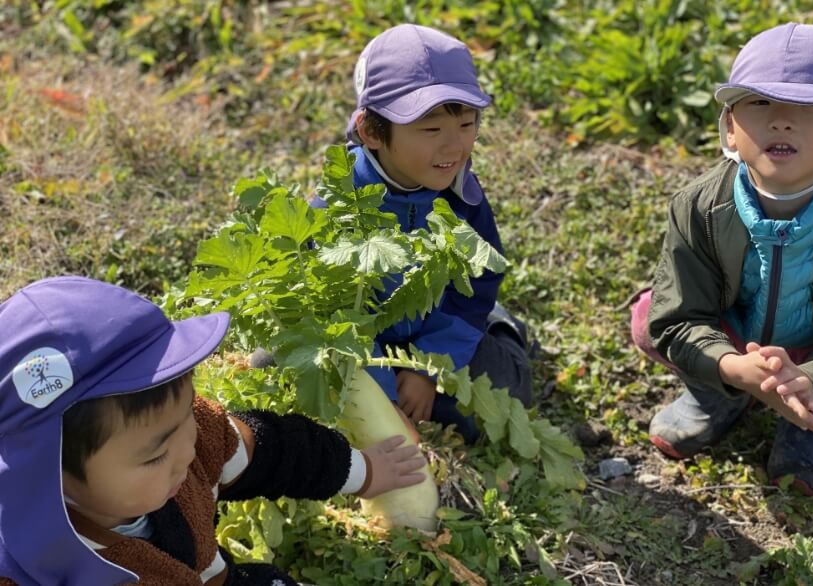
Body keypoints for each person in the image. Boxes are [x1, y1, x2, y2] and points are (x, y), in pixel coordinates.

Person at [0, 276, 426, 585]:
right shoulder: (34, 570)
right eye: (153, 456)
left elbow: (277, 450)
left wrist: (363, 472)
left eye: (185, 415)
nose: (187, 450)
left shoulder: (196, 438)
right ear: (50, 477)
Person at [630, 22, 813, 496]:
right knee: (647, 317)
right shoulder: (700, 207)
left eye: (810, 106)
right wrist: (730, 367)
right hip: (735, 344)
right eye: (760, 102)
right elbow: (677, 318)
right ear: (729, 125)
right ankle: (719, 396)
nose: (782, 119)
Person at [333, 23, 533, 443]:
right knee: (278, 371)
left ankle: (501, 328)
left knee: (507, 394)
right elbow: (329, 320)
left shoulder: (462, 198)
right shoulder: (339, 206)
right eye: (430, 129)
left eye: (466, 124)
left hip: (437, 329)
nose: (454, 147)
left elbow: (476, 285)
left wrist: (428, 367)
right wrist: (381, 392)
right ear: (371, 131)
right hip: (361, 352)